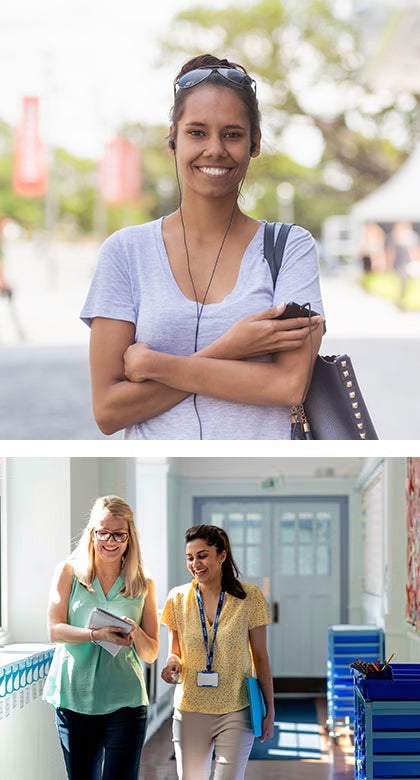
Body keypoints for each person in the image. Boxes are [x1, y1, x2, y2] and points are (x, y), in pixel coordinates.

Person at [80, 53, 325, 440]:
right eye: (197, 132)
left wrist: (153, 364)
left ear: (255, 142)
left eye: (232, 134)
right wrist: (231, 347)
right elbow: (109, 412)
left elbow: (288, 386)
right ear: (173, 138)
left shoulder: (289, 247)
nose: (215, 149)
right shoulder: (125, 253)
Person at [43, 495, 159, 780]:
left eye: (119, 534)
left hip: (125, 699)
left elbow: (151, 652)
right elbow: (55, 630)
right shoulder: (68, 572)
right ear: (92, 533)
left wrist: (135, 631)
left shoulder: (143, 584)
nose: (111, 541)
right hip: (75, 698)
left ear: (130, 537)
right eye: (103, 533)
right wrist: (95, 634)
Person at [160, 524, 274, 780]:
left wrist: (270, 710)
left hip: (235, 707)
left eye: (202, 555)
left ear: (221, 555)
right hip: (190, 708)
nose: (195, 564)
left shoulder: (250, 598)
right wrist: (172, 665)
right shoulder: (177, 598)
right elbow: (174, 652)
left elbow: (261, 658)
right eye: (190, 558)